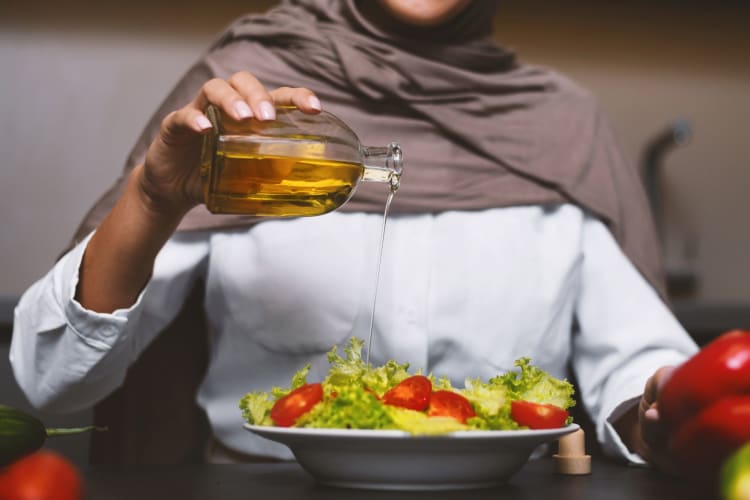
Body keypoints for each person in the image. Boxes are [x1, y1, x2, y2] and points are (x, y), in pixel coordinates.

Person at [10, 0, 697, 470]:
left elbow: (639, 375)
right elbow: (53, 382)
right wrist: (154, 199)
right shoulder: (244, 114)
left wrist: (666, 406)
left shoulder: (565, 126)